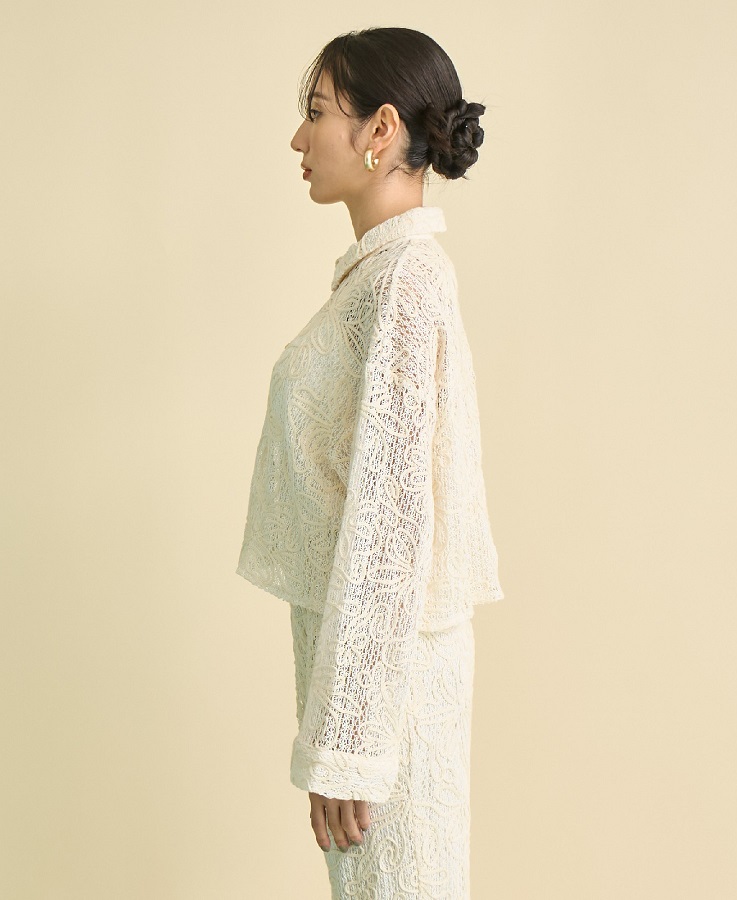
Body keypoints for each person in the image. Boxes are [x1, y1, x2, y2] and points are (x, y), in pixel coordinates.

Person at [236, 26, 504, 899]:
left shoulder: (405, 283)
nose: (299, 137)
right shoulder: (379, 279)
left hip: (389, 699)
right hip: (368, 681)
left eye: (317, 113)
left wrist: (349, 743)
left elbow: (393, 523)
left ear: (380, 130)